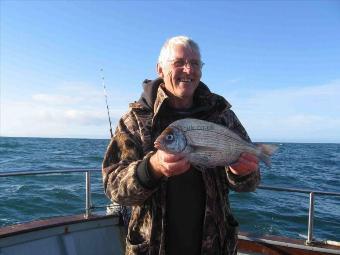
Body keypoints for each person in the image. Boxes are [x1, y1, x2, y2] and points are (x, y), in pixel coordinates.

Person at [102, 35, 260, 255]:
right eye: (179, 63)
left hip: (216, 248)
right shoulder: (135, 120)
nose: (188, 70)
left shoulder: (222, 116)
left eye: (195, 63)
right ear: (160, 69)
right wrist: (151, 169)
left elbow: (249, 184)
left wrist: (242, 173)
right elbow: (113, 187)